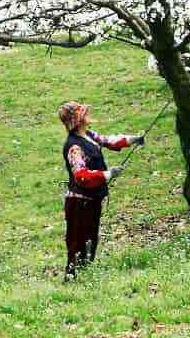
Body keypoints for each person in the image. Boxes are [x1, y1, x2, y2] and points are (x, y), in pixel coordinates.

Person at [58, 101, 144, 279]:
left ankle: (85, 277)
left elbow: (109, 141)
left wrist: (133, 139)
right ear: (78, 120)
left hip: (92, 200)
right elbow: (81, 176)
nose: (88, 114)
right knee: (77, 243)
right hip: (79, 203)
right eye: (83, 113)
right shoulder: (74, 146)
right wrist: (107, 174)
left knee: (90, 240)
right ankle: (72, 279)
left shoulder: (89, 135)